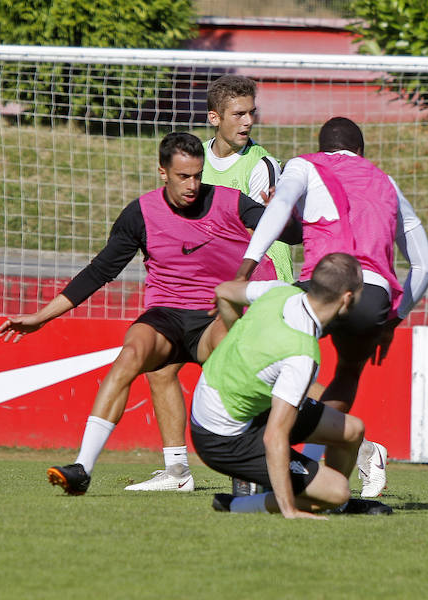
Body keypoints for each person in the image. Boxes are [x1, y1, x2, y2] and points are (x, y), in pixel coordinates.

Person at [0, 132, 300, 495]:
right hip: (167, 316)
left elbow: (292, 234)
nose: (192, 185)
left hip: (216, 315)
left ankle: (268, 460)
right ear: (162, 172)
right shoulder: (140, 213)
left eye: (198, 175)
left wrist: (285, 210)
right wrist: (42, 316)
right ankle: (85, 468)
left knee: (236, 364)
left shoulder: (232, 202)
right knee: (133, 354)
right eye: (182, 176)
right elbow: (100, 271)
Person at [233, 116, 428, 498]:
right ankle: (328, 474)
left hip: (322, 284)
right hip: (374, 297)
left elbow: (280, 207)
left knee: (270, 354)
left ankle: (262, 450)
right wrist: (393, 320)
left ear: (323, 146)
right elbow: (426, 266)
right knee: (346, 373)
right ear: (361, 153)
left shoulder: (305, 164)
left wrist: (248, 264)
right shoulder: (386, 181)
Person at [127, 75, 294, 493]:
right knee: (161, 365)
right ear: (214, 117)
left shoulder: (261, 165)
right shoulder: (193, 157)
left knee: (265, 381)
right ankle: (177, 470)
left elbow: (265, 232)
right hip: (215, 287)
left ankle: (357, 444)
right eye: (239, 113)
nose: (248, 121)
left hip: (262, 283)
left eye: (252, 112)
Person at [192, 252, 391, 517]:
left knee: (353, 430)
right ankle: (239, 505)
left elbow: (224, 291)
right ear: (347, 298)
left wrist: (238, 336)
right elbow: (275, 435)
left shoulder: (279, 291)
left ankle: (332, 505)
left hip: (228, 406)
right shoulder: (302, 354)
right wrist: (289, 510)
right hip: (222, 437)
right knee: (337, 491)